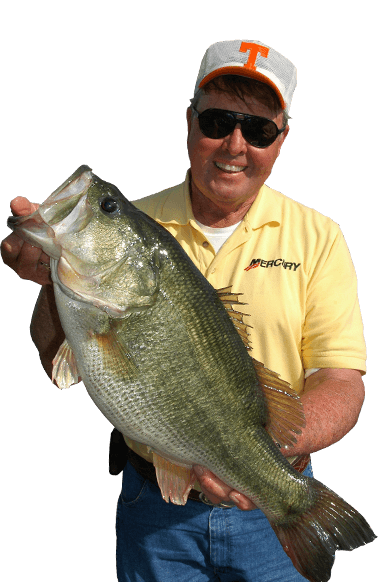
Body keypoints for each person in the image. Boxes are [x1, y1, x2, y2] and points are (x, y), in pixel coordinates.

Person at [1, 40, 367, 582]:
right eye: (218, 120)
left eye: (259, 130)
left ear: (282, 140)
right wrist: (47, 274)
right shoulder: (140, 221)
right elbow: (54, 352)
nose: (235, 145)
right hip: (154, 509)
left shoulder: (320, 237)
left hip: (268, 504)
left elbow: (342, 380)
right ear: (189, 123)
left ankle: (296, 504)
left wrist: (263, 461)